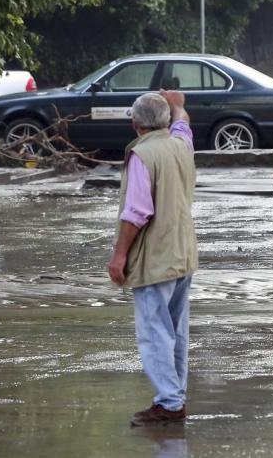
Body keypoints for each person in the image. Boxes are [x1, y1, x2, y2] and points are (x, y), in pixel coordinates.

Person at [109, 90, 198, 426]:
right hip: (183, 253)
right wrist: (178, 106)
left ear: (134, 124)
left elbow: (136, 213)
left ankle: (170, 403)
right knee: (176, 330)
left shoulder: (142, 155)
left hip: (155, 258)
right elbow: (183, 125)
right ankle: (173, 397)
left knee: (155, 332)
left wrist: (119, 256)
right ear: (165, 121)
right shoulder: (181, 144)